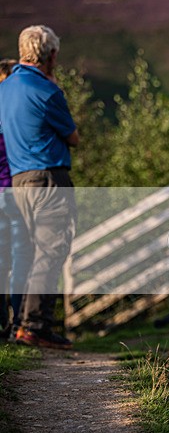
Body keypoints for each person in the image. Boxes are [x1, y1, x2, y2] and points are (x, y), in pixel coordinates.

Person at [0, 25, 79, 349]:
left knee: (29, 254)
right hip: (48, 177)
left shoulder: (5, 89)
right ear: (52, 55)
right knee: (52, 250)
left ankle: (20, 323)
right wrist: (53, 83)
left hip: (17, 181)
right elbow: (73, 137)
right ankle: (35, 326)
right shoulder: (47, 91)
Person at [0, 58, 33, 342]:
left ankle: (3, 323)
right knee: (21, 258)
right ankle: (19, 322)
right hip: (15, 192)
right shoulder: (15, 114)